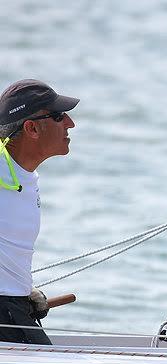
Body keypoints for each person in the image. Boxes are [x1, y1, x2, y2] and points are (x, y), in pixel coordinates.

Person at [0, 79, 79, 344]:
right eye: (58, 116)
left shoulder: (25, 173)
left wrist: (24, 290)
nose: (70, 123)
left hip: (16, 306)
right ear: (32, 128)